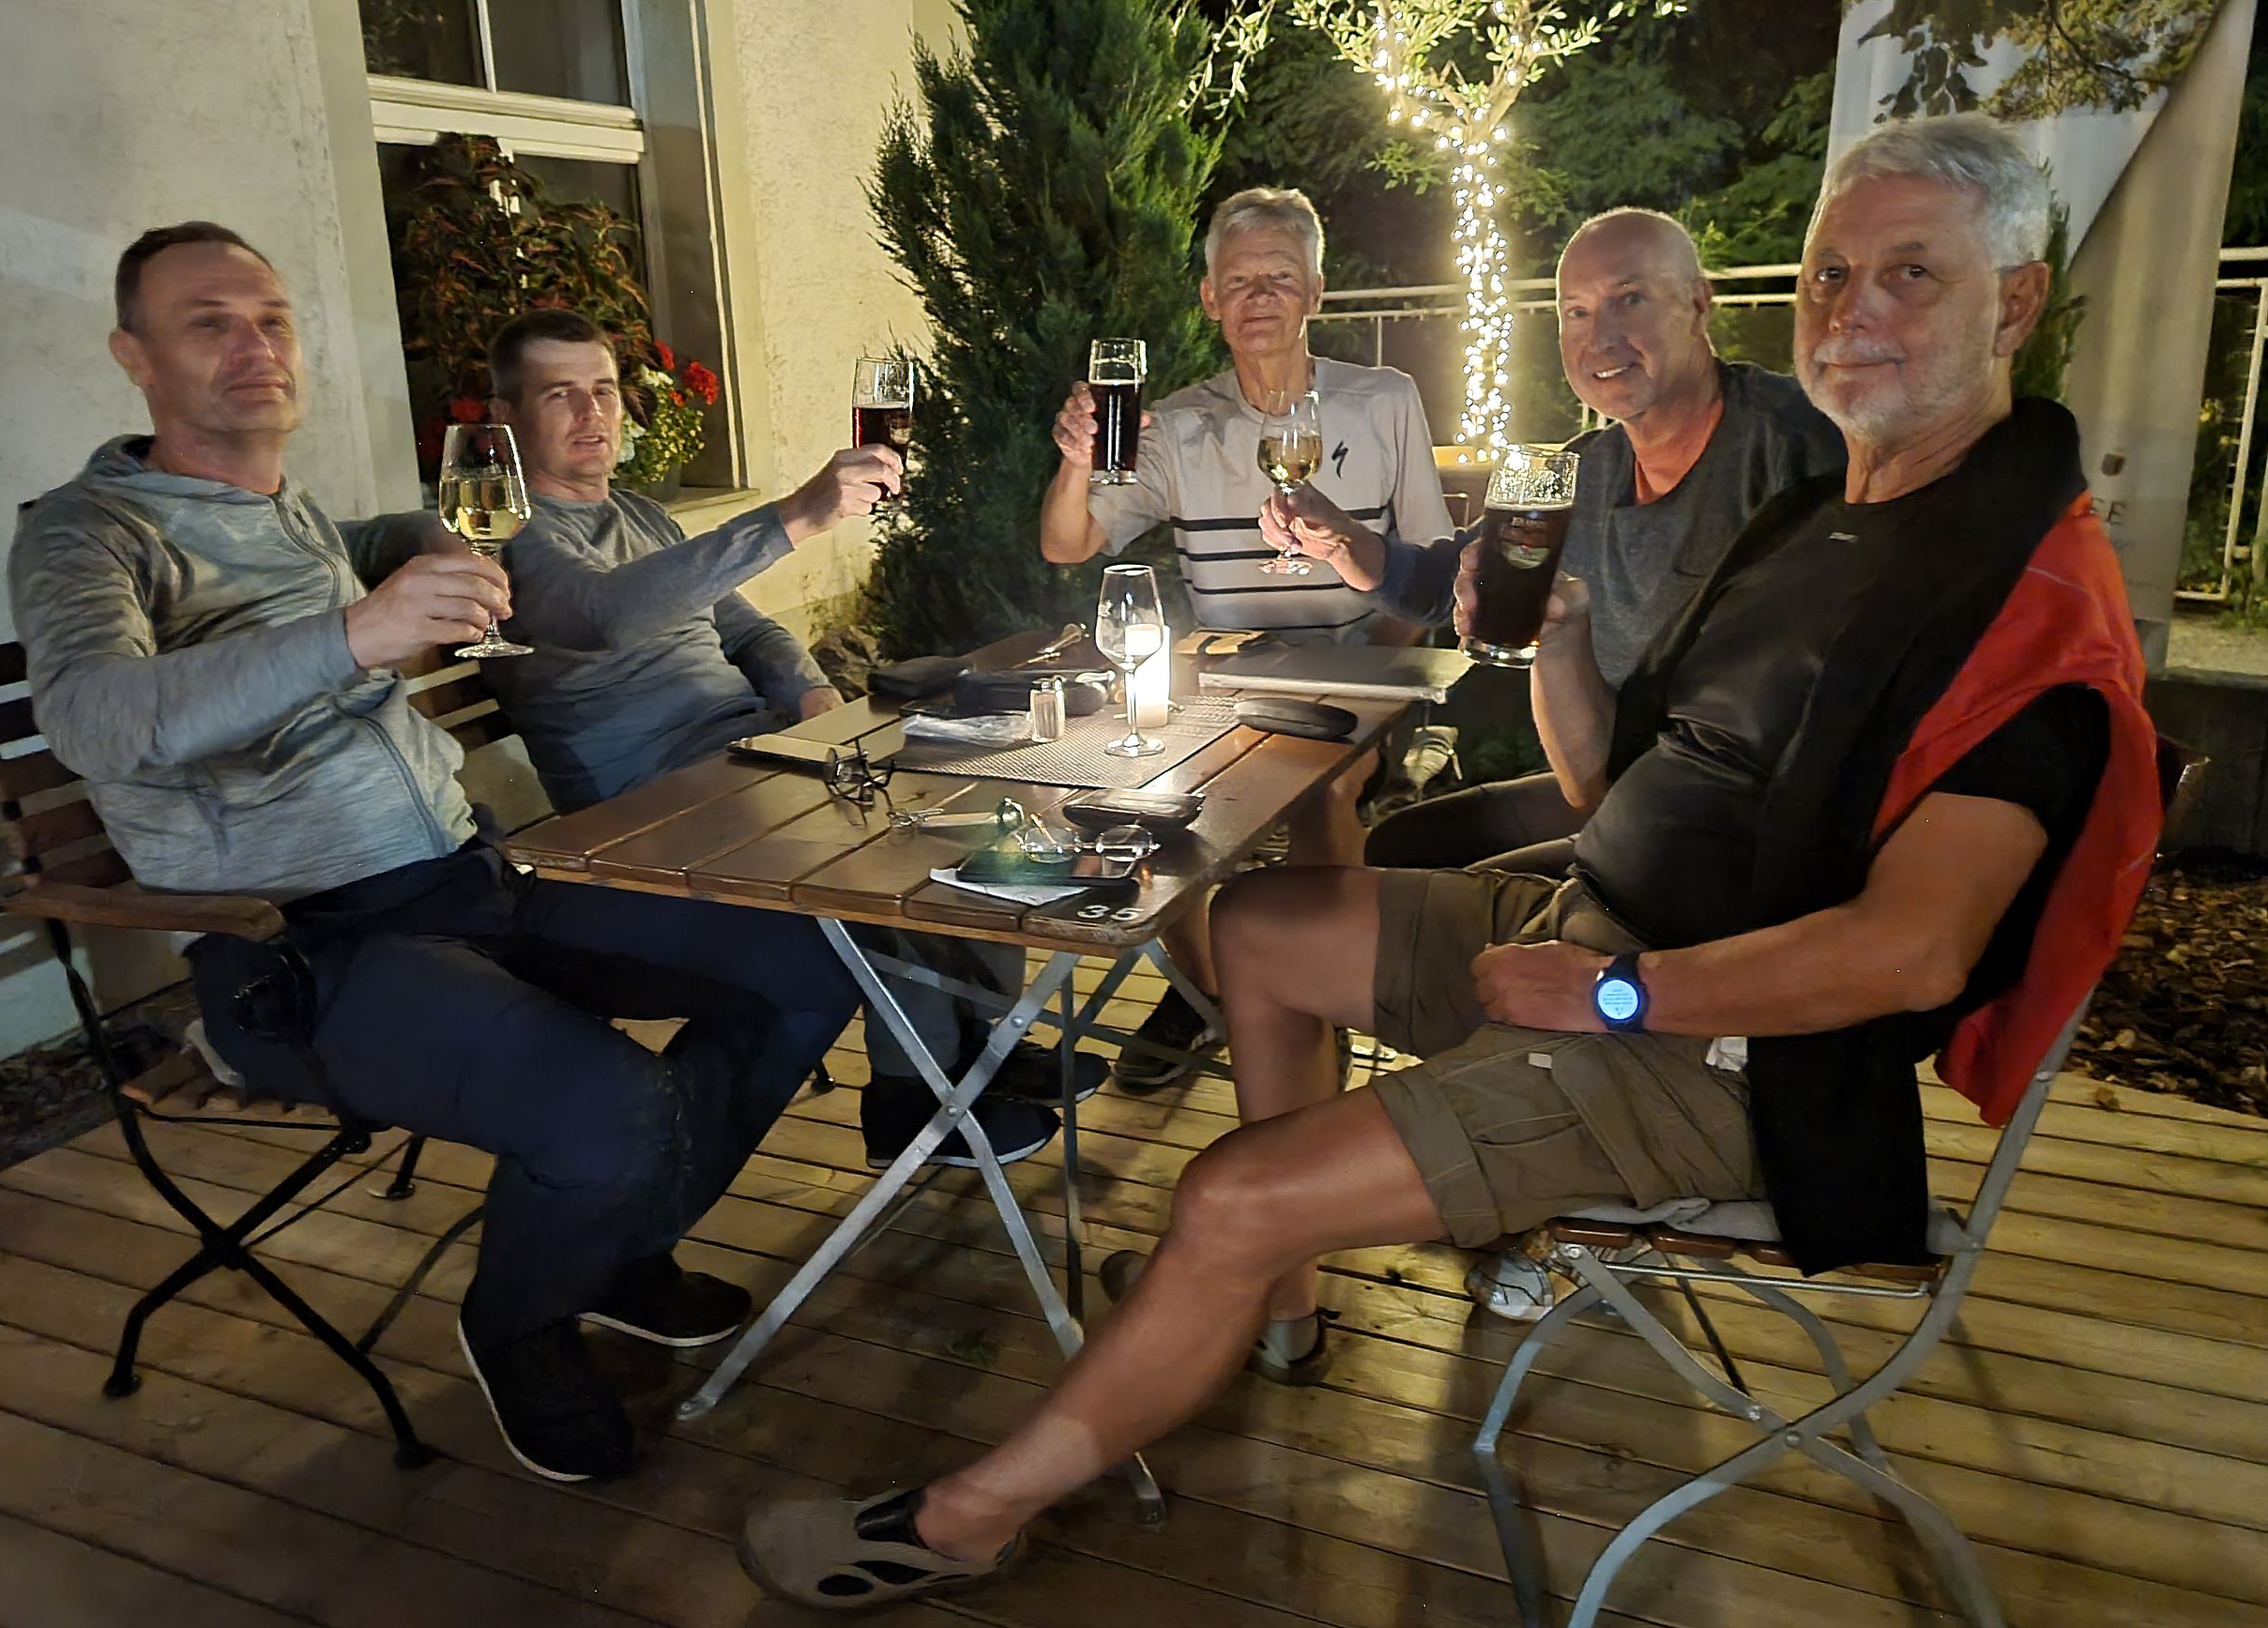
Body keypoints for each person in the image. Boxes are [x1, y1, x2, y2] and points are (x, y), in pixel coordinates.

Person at [737, 114, 2164, 1607]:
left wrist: (1616, 994)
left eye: (1910, 274)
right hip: (1601, 916)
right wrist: (1556, 643)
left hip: (1729, 1054)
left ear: (2015, 302)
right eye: (1828, 275)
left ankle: (973, 1511)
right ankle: (1275, 1297)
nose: (1851, 311)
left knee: (1226, 1189)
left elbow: (1914, 953)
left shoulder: (2022, 601)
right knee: (1259, 926)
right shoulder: (1834, 519)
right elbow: (1614, 782)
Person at [8, 222, 860, 1485]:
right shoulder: (87, 533)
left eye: (271, 318)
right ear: (134, 356)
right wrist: (358, 632)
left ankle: (613, 1245)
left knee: (809, 965)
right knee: (611, 1103)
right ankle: (517, 1321)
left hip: (471, 878)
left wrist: (424, 546)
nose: (254, 345)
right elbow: (92, 718)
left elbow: (509, 579)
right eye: (208, 323)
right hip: (298, 944)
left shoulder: (302, 515)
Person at [475, 310, 1088, 1168]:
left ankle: (982, 1048)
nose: (592, 413)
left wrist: (809, 693)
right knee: (872, 860)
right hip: (655, 804)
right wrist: (796, 514)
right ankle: (912, 1098)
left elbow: (749, 630)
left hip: (756, 755)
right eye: (559, 395)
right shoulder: (510, 537)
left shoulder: (642, 514)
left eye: (604, 390)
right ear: (504, 418)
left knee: (981, 807)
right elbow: (607, 615)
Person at [1269, 208, 1844, 871]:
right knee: (1404, 843)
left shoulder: (1795, 447)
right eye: (1576, 312)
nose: (1601, 338)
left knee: (1455, 888)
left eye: (1629, 299)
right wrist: (1343, 543)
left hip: (1741, 823)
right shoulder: (1581, 472)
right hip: (1619, 781)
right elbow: (1448, 583)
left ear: (1697, 304)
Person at [1038, 187, 1457, 1089]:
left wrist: (1377, 674)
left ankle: (1325, 991)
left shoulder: (1383, 400)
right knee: (1136, 791)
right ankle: (1212, 995)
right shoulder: (1178, 424)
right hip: (1225, 691)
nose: (1258, 297)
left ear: (1316, 291)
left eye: (1280, 278)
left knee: (1323, 785)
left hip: (1354, 683)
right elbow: (1068, 542)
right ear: (1209, 299)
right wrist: (1075, 463)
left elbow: (1430, 569)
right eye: (1238, 281)